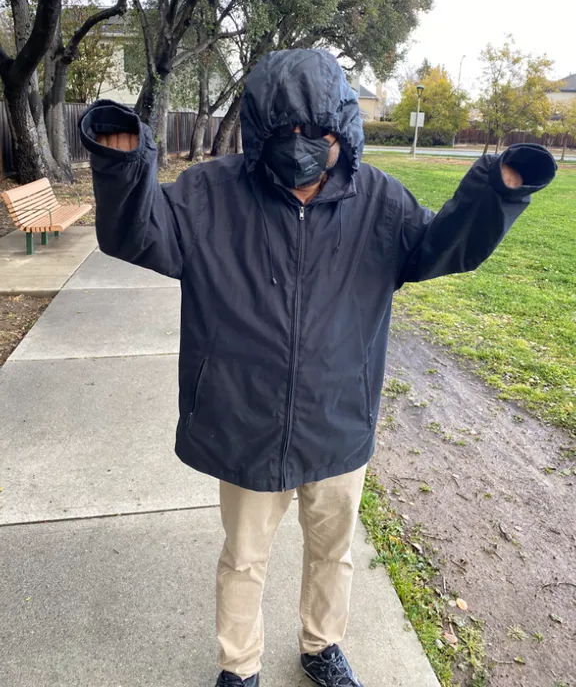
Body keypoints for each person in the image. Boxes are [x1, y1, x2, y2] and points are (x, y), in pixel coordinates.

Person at [80, 49, 556, 687]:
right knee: (244, 558)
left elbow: (442, 248)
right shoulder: (210, 194)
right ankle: (239, 665)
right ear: (261, 131)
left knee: (334, 551)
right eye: (286, 132)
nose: (303, 145)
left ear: (345, 131)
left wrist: (496, 190)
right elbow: (139, 232)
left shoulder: (379, 203)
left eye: (320, 132)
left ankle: (321, 645)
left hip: (336, 418)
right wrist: (121, 163)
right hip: (242, 415)